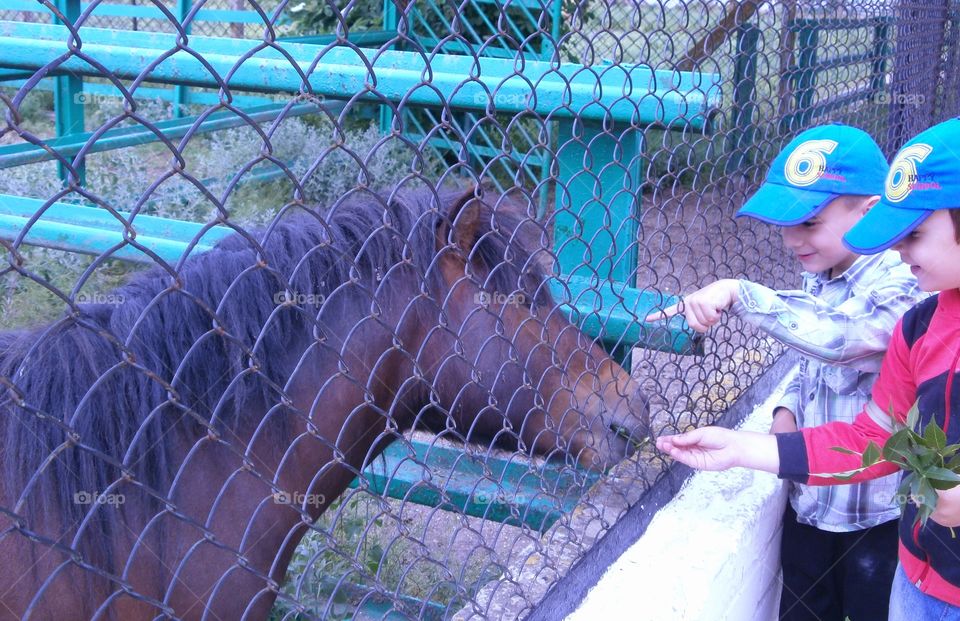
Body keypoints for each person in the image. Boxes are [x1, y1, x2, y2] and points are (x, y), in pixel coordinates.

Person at [655, 117, 960, 621]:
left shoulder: (901, 292)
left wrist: (741, 293)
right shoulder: (920, 323)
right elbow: (871, 434)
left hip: (877, 520)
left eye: (916, 233)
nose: (901, 248)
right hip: (893, 553)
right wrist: (751, 441)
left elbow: (840, 337)